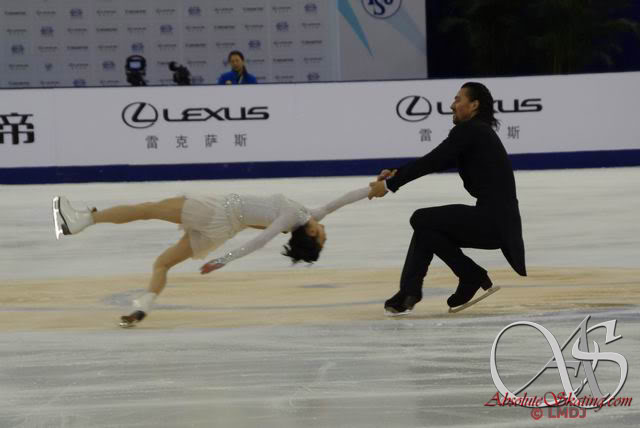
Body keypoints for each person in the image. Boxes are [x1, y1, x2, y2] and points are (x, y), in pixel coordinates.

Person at [52, 187, 370, 327]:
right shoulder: (308, 215)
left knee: (147, 209)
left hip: (215, 211)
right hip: (221, 231)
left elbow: (260, 240)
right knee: (163, 263)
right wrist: (378, 186)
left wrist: (223, 261)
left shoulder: (292, 217)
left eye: (322, 239)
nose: (325, 234)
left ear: (311, 234)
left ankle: (83, 220)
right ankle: (143, 307)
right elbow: (343, 200)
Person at [368, 82, 526, 315]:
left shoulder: (471, 131)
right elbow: (437, 160)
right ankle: (409, 292)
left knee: (421, 218)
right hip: (498, 221)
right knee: (426, 230)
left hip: (494, 220)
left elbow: (433, 161)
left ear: (474, 105)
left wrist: (390, 185)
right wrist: (395, 172)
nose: (452, 105)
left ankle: (469, 274)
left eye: (458, 99)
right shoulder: (477, 133)